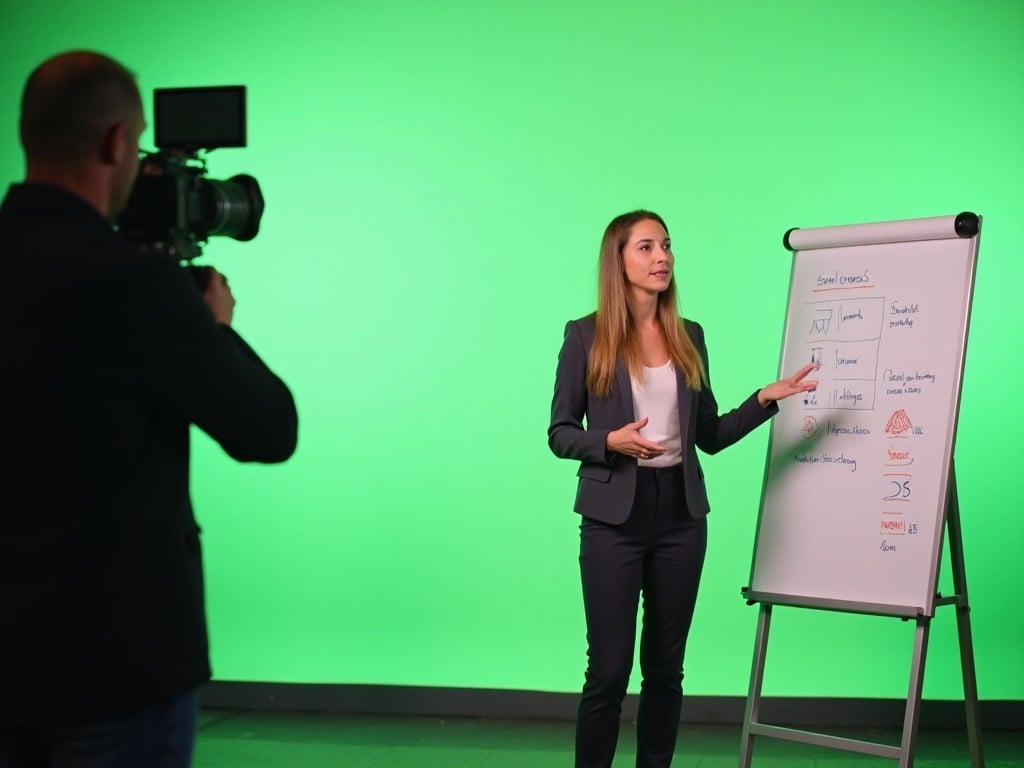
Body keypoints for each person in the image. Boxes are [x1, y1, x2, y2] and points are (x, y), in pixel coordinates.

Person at [0, 51, 298, 767]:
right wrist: (213, 326)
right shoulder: (132, 285)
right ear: (112, 144)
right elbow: (267, 429)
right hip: (115, 661)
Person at [547, 210, 816, 768]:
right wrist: (610, 441)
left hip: (681, 515)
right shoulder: (585, 335)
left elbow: (709, 436)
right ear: (618, 261)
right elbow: (560, 433)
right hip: (612, 519)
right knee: (609, 671)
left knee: (666, 670)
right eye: (645, 247)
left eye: (666, 245)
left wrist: (764, 400)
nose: (662, 257)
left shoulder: (689, 336)